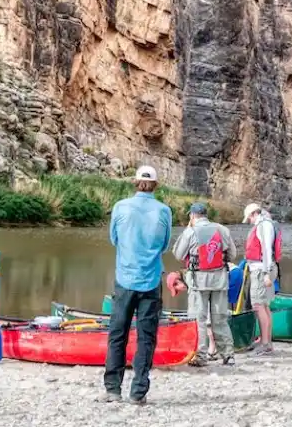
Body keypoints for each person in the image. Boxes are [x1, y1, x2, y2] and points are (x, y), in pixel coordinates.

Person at [103, 165, 172, 406]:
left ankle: (112, 389)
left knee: (117, 334)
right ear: (156, 184)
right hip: (151, 281)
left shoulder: (120, 207)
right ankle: (138, 392)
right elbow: (164, 245)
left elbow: (114, 239)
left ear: (135, 182)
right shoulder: (164, 211)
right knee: (146, 337)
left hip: (125, 279)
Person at [172, 202, 236, 366]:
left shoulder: (190, 231)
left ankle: (200, 356)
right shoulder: (222, 230)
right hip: (220, 280)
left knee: (197, 318)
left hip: (198, 281)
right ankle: (228, 354)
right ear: (206, 215)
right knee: (220, 318)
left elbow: (178, 254)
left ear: (192, 216)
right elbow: (232, 254)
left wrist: (187, 229)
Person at [242, 203, 280, 355]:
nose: (249, 221)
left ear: (253, 214)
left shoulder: (263, 225)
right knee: (264, 305)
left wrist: (266, 273)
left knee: (258, 305)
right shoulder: (267, 224)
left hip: (261, 271)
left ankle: (265, 344)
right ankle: (266, 342)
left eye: (249, 218)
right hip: (263, 269)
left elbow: (265, 249)